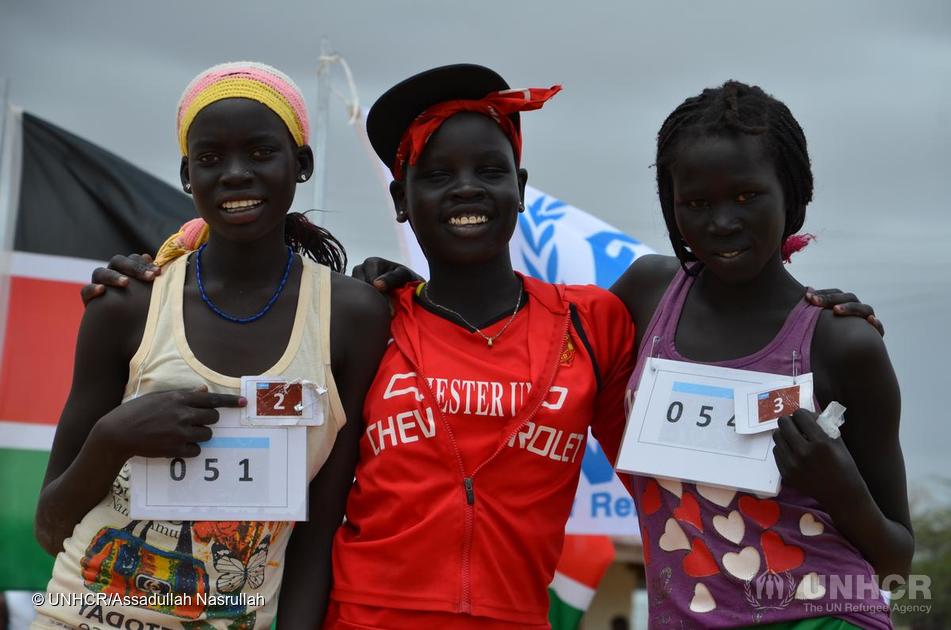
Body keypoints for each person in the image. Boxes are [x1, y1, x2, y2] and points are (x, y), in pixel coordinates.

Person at [82, 67, 881, 629]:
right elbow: (306, 481)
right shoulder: (367, 314)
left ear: (520, 188)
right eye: (438, 174)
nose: (465, 188)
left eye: (488, 170)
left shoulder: (597, 319)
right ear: (401, 199)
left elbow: (721, 295)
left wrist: (818, 309)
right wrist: (158, 262)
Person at [32, 62, 389, 630]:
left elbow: (319, 531)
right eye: (211, 158)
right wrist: (115, 437)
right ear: (185, 175)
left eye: (261, 152)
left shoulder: (352, 318)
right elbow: (50, 530)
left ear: (302, 165)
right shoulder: (128, 307)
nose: (236, 174)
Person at [608, 80, 910, 628]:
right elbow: (532, 335)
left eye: (747, 196)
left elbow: (896, 567)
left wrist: (840, 488)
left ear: (791, 195)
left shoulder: (842, 344)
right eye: (696, 203)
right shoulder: (645, 295)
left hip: (825, 618)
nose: (722, 222)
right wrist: (416, 295)